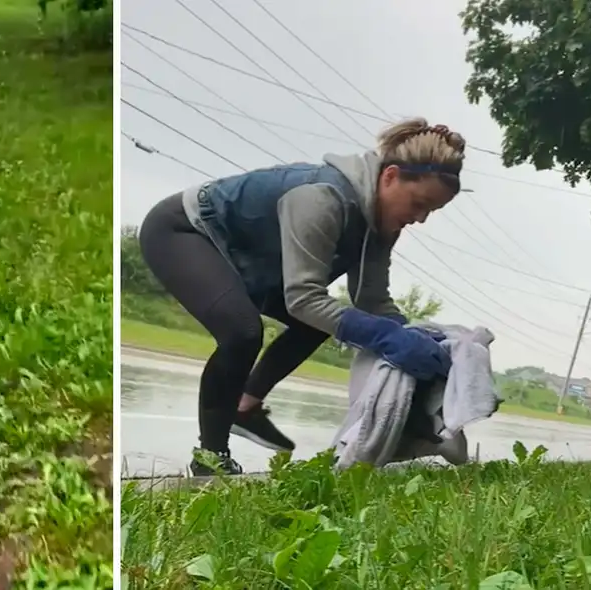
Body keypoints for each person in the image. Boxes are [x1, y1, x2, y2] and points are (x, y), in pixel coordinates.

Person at [137, 118, 465, 476]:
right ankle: (210, 460)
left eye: (430, 212)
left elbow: (370, 301)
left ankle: (244, 407)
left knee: (321, 324)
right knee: (241, 332)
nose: (419, 219)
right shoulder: (321, 197)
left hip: (251, 262)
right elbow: (303, 299)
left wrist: (415, 334)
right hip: (184, 231)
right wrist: (388, 336)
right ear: (389, 176)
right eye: (419, 203)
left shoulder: (381, 225)